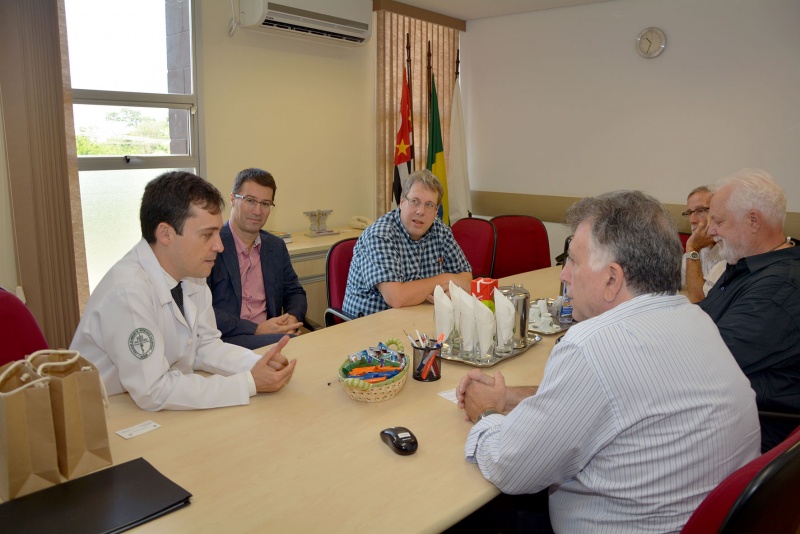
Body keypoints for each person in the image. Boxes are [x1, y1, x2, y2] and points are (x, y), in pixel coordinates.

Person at [456, 190, 760, 532]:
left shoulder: (591, 346)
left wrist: (486, 413)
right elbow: (619, 399)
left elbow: (511, 468)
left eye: (572, 260)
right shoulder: (695, 319)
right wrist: (513, 397)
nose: (563, 274)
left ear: (612, 279)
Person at [70, 171, 297, 411]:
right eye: (207, 235)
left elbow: (205, 345)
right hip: (107, 412)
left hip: (145, 403)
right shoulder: (128, 291)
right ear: (166, 234)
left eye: (218, 233)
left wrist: (258, 363)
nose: (219, 246)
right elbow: (154, 390)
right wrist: (248, 383)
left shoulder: (191, 275)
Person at [699, 168, 800, 451]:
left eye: (718, 221)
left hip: (744, 434)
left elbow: (704, 363)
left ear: (753, 221)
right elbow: (701, 319)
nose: (710, 231)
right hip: (721, 414)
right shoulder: (747, 266)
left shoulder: (778, 287)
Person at [342, 169, 472, 317]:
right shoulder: (380, 234)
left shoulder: (440, 230)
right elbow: (396, 297)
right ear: (402, 203)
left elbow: (466, 276)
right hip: (369, 325)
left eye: (429, 205)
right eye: (415, 201)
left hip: (418, 317)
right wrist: (445, 279)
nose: (421, 211)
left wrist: (453, 287)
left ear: (436, 211)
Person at [208, 168, 307, 349]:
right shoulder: (211, 245)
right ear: (232, 199)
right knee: (295, 348)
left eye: (265, 204)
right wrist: (257, 329)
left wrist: (291, 319)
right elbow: (203, 310)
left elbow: (295, 292)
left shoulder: (275, 246)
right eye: (251, 201)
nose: (258, 211)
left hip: (270, 337)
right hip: (226, 340)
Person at [681, 185, 725, 303]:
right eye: (689, 212)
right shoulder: (700, 244)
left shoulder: (730, 250)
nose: (692, 220)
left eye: (700, 210)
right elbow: (672, 282)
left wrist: (692, 249)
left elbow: (700, 301)